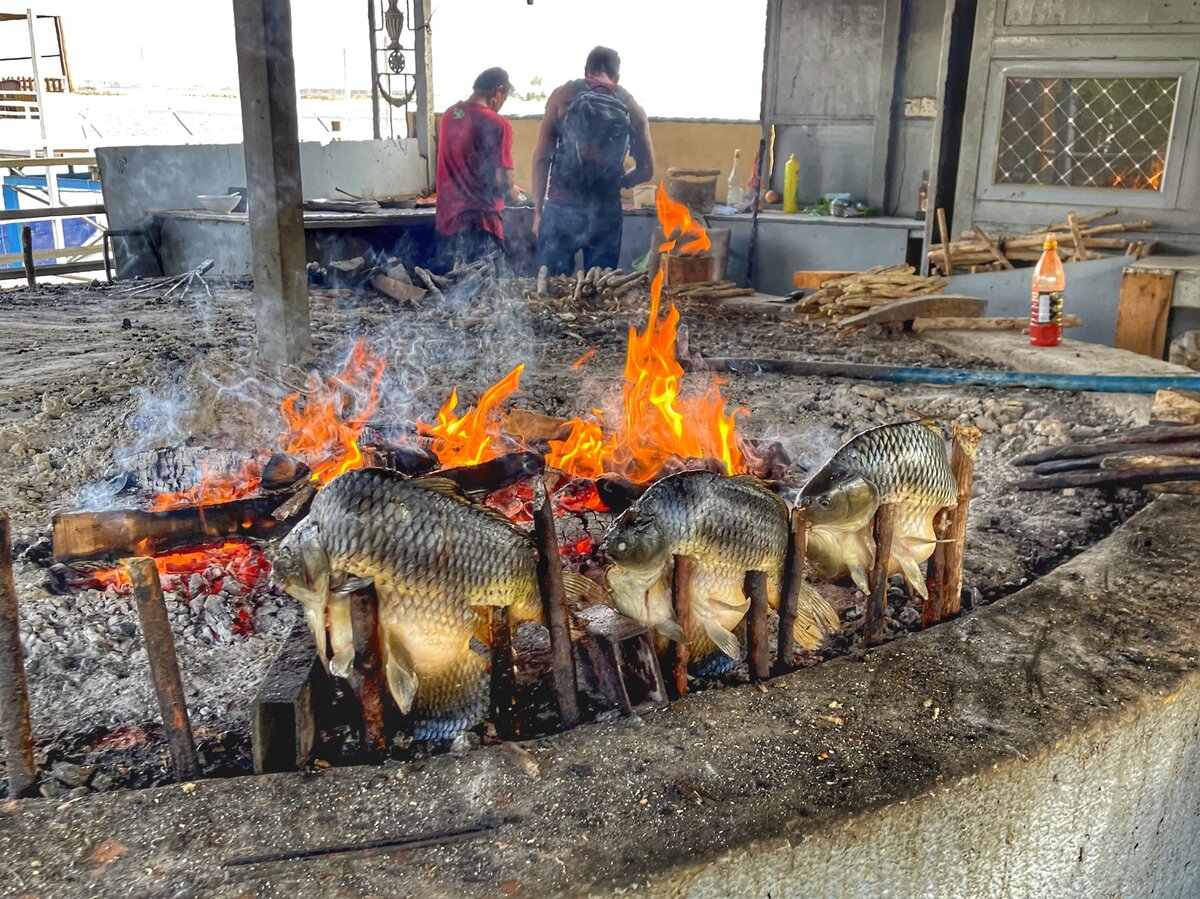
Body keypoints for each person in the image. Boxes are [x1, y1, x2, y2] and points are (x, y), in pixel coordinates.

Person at [531, 46, 654, 275]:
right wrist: (621, 182)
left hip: (561, 208)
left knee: (550, 289)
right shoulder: (632, 109)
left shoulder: (563, 96)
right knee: (598, 291)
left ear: (586, 70)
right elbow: (647, 169)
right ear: (617, 77)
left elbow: (540, 157)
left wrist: (538, 212)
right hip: (605, 213)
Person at [435, 67, 517, 270]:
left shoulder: (449, 115)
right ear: (497, 92)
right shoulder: (498, 123)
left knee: (455, 293)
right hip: (481, 224)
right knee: (487, 296)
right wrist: (513, 190)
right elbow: (505, 182)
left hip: (448, 223)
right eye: (503, 99)